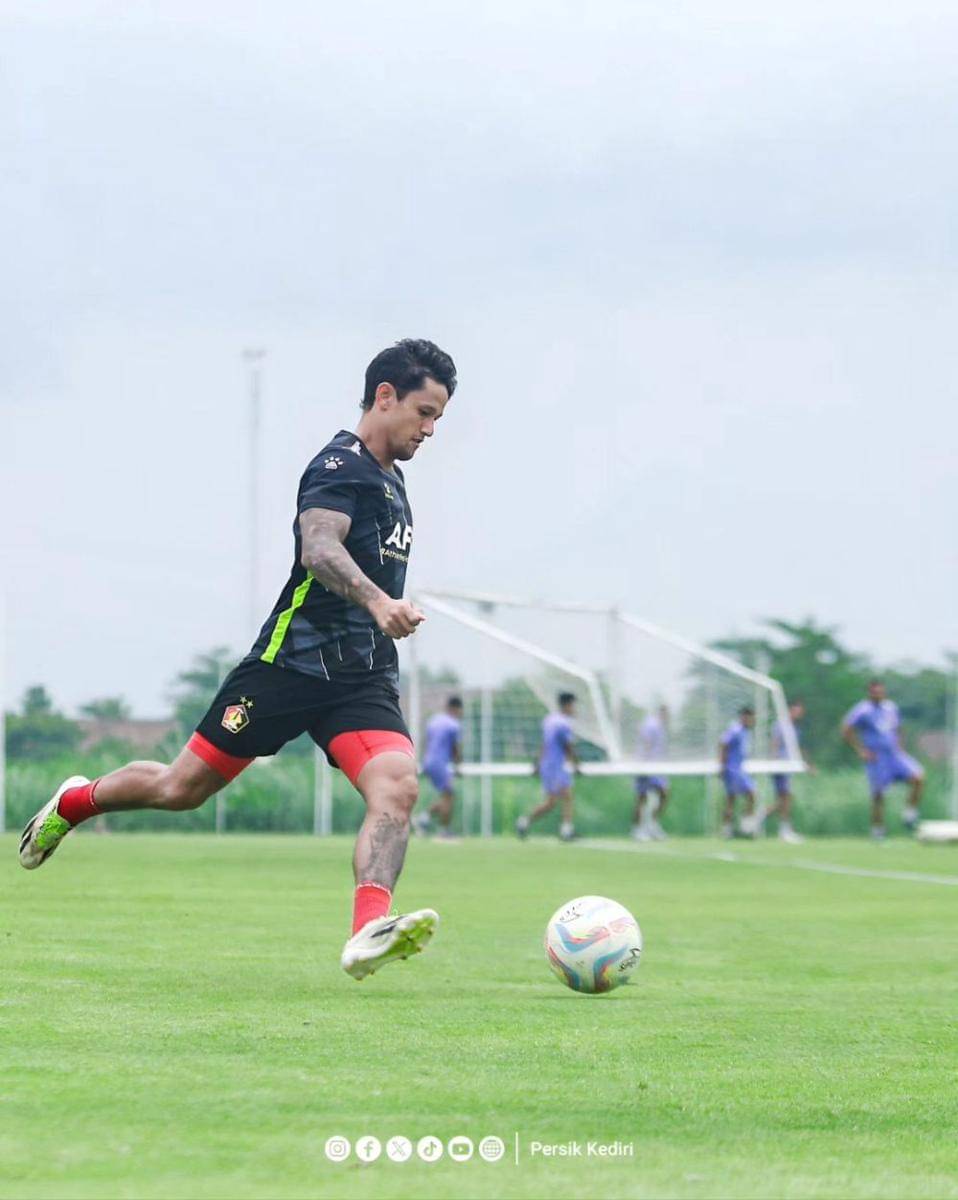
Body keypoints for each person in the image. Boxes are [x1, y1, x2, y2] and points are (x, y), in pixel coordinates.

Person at [19, 338, 458, 981]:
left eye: (438, 420)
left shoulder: (394, 482)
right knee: (180, 789)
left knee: (398, 788)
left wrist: (380, 617)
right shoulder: (339, 466)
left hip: (361, 678)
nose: (429, 430)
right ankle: (76, 802)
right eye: (424, 412)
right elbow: (319, 548)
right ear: (385, 396)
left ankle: (368, 929)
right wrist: (377, 602)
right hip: (289, 667)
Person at [841, 678, 924, 840]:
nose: (878, 694)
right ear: (869, 693)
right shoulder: (862, 710)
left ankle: (909, 814)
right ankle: (877, 829)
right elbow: (846, 729)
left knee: (918, 777)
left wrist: (900, 746)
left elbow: (898, 728)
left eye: (880, 691)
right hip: (877, 757)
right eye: (874, 692)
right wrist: (861, 750)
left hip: (894, 754)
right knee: (878, 794)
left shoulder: (891, 707)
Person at [516, 692, 579, 841]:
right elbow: (568, 746)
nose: (574, 709)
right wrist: (576, 763)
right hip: (556, 765)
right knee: (567, 796)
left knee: (551, 803)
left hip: (546, 765)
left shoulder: (549, 720)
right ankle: (566, 830)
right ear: (567, 705)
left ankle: (524, 822)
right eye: (573, 705)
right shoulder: (564, 723)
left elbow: (544, 744)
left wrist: (538, 762)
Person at [414, 696, 463, 838]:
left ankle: (423, 818)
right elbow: (456, 748)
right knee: (449, 796)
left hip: (428, 761)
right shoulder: (454, 724)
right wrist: (458, 766)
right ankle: (444, 831)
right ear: (456, 709)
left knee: (447, 796)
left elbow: (426, 741)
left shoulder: (434, 721)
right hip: (439, 763)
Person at [766, 700, 813, 844]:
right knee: (786, 798)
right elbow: (774, 743)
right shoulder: (780, 725)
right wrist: (774, 762)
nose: (798, 714)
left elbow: (797, 748)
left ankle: (760, 819)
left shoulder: (795, 729)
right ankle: (784, 830)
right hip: (780, 765)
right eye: (796, 710)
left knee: (784, 799)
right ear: (790, 710)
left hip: (789, 766)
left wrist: (807, 764)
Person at [631, 705, 670, 841]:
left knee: (664, 793)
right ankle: (637, 829)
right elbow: (645, 742)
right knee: (642, 798)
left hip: (656, 767)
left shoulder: (661, 727)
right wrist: (643, 764)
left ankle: (652, 825)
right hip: (645, 765)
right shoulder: (651, 725)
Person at [719, 706, 758, 838]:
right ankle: (745, 827)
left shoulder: (746, 732)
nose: (752, 721)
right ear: (744, 717)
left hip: (739, 769)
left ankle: (728, 829)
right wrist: (722, 766)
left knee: (731, 799)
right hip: (732, 769)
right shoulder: (735, 730)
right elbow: (723, 744)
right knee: (750, 794)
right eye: (750, 718)